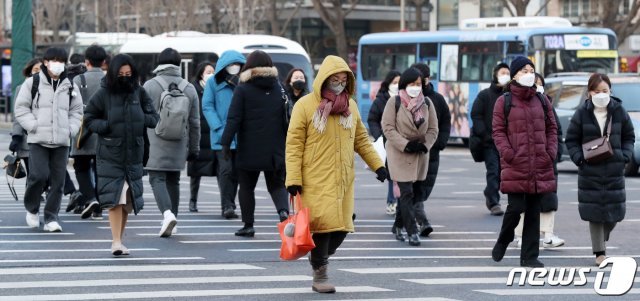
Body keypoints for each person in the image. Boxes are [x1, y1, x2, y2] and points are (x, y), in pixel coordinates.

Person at [286, 55, 386, 293]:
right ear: (324, 79)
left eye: (343, 79)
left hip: (342, 179)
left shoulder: (349, 107)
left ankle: (318, 256)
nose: (339, 83)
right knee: (322, 227)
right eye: (335, 79)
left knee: (342, 227)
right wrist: (293, 179)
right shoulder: (305, 105)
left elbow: (361, 139)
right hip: (314, 180)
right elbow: (294, 145)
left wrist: (378, 165)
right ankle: (320, 275)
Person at [84, 53, 159, 255]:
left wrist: (142, 118)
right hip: (110, 153)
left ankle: (119, 239)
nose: (125, 77)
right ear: (113, 73)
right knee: (115, 199)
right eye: (121, 73)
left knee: (127, 200)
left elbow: (154, 118)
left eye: (129, 73)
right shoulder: (103, 94)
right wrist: (106, 125)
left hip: (134, 153)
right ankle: (116, 241)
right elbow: (89, 118)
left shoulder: (139, 93)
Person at [490, 56, 557, 268]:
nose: (529, 74)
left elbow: (552, 128)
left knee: (533, 210)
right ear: (514, 75)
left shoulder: (542, 99)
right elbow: (498, 131)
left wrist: (550, 151)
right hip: (516, 162)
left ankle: (529, 256)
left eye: (531, 70)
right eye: (524, 70)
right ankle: (504, 238)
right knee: (516, 206)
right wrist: (508, 153)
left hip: (539, 162)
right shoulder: (504, 101)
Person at [565, 73, 635, 266]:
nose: (601, 94)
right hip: (590, 170)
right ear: (589, 93)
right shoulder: (582, 113)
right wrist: (579, 159)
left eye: (605, 91)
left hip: (614, 169)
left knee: (614, 214)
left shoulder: (619, 110)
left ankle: (602, 238)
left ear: (610, 91)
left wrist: (625, 156)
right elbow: (571, 140)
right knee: (594, 214)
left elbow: (629, 136)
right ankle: (599, 253)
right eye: (597, 91)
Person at [14, 47, 84, 232]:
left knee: (58, 181)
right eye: (54, 60)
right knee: (38, 176)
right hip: (38, 139)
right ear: (45, 62)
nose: (57, 64)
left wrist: (71, 129)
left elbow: (77, 111)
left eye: (61, 61)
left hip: (62, 140)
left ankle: (52, 217)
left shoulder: (70, 85)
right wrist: (33, 125)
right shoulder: (33, 82)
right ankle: (32, 208)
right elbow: (21, 108)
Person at [220, 50, 289, 237]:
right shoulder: (279, 87)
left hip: (249, 148)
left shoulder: (243, 88)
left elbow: (233, 118)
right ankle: (284, 213)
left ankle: (248, 225)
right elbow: (286, 118)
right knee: (277, 185)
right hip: (275, 147)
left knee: (247, 186)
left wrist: (225, 144)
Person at [144, 48, 200, 238]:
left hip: (154, 141)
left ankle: (167, 214)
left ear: (160, 63)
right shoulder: (189, 88)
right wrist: (194, 148)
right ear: (178, 63)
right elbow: (195, 123)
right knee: (173, 180)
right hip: (179, 141)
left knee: (156, 178)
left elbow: (141, 117)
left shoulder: (150, 86)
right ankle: (173, 220)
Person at [382, 67, 438, 247]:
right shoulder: (395, 102)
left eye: (418, 84)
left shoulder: (427, 103)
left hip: (420, 154)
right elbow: (388, 128)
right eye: (412, 84)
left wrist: (425, 145)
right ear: (405, 84)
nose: (416, 87)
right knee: (406, 192)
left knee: (413, 195)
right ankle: (412, 231)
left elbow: (433, 129)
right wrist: (405, 145)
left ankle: (397, 225)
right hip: (399, 153)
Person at [513, 73, 565, 249]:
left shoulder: (547, 105)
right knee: (524, 199)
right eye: (534, 83)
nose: (537, 86)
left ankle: (548, 235)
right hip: (525, 161)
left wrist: (553, 154)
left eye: (539, 83)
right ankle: (520, 235)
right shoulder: (517, 104)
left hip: (546, 161)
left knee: (549, 199)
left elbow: (556, 131)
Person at [202, 50, 246, 219]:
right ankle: (226, 205)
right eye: (231, 65)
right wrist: (219, 128)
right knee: (226, 170)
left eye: (237, 65)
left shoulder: (244, 82)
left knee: (236, 172)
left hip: (241, 136)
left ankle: (231, 204)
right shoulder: (213, 82)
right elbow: (207, 106)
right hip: (222, 135)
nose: (234, 68)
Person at [68, 45, 108, 220]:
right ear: (104, 61)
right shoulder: (109, 80)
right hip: (104, 132)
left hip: (82, 132)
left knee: (81, 168)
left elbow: (71, 104)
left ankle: (91, 198)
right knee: (101, 171)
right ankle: (98, 208)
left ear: (87, 61)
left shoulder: (78, 79)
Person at [411, 63, 451, 237]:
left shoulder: (437, 99)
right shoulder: (402, 99)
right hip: (409, 152)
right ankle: (421, 221)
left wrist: (440, 143)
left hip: (431, 151)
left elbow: (445, 123)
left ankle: (404, 218)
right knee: (412, 189)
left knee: (425, 187)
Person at [470, 63, 510, 216]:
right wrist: (485, 135)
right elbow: (476, 115)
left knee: (503, 172)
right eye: (502, 72)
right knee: (493, 171)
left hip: (507, 143)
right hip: (490, 143)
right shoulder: (485, 95)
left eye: (508, 72)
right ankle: (493, 201)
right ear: (495, 75)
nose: (505, 75)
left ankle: (492, 193)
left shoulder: (511, 95)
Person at [367, 70, 401, 215]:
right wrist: (379, 136)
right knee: (392, 174)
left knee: (400, 174)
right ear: (388, 83)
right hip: (387, 142)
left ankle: (398, 202)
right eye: (394, 82)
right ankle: (392, 201)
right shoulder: (381, 100)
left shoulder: (404, 99)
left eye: (399, 82)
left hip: (402, 142)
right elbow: (372, 119)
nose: (397, 85)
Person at [187, 62, 215, 213]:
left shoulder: (216, 88)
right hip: (198, 135)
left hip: (212, 134)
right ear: (201, 74)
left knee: (220, 169)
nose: (211, 74)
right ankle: (193, 200)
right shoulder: (193, 89)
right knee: (195, 171)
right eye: (208, 72)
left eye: (213, 72)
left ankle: (226, 203)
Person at [9, 58, 43, 169]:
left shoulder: (51, 88)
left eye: (41, 69)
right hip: (26, 142)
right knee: (32, 176)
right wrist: (16, 137)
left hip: (45, 141)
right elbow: (18, 116)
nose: (38, 72)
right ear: (30, 71)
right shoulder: (21, 88)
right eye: (35, 69)